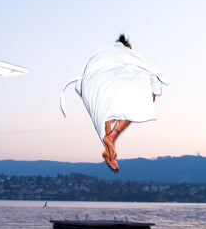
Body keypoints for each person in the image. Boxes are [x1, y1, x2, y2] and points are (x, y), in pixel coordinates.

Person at [60, 35, 168, 171]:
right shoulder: (130, 55)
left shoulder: (102, 54)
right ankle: (111, 137)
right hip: (110, 83)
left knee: (107, 112)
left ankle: (109, 151)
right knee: (134, 108)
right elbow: (153, 81)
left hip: (94, 85)